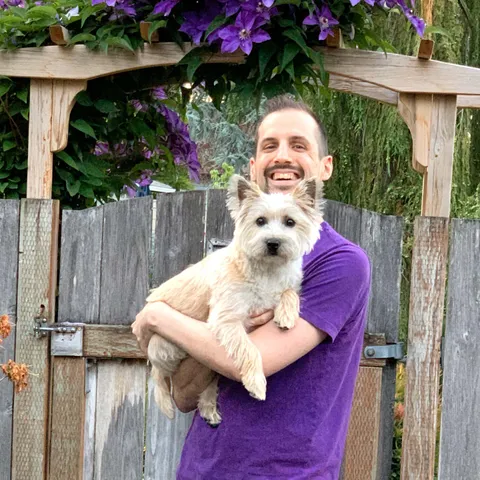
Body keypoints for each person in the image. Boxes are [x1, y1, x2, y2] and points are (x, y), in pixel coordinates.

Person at [132, 95, 371, 480]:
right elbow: (183, 396)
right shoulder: (238, 260)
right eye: (269, 146)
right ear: (254, 167)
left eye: (299, 145)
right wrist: (200, 335)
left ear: (324, 168)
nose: (282, 156)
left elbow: (252, 362)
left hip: (287, 473)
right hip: (203, 468)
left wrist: (157, 316)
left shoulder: (341, 262)